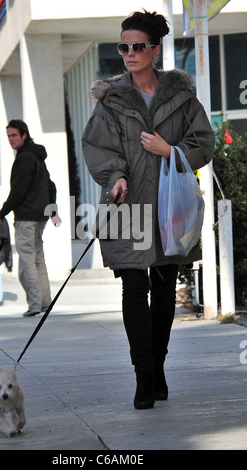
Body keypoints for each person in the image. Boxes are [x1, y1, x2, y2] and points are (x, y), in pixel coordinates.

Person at [82, 10, 215, 409]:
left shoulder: (182, 98)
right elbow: (97, 147)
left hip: (170, 209)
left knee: (162, 289)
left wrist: (170, 150)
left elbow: (204, 144)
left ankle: (158, 367)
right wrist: (115, 176)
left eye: (138, 46)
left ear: (155, 49)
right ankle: (143, 376)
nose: (129, 53)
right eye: (124, 46)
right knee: (133, 287)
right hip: (125, 205)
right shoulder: (111, 99)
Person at [0, 119, 61, 317]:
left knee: (27, 261)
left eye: (14, 135)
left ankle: (34, 304)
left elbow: (18, 190)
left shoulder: (24, 158)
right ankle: (44, 302)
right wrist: (51, 211)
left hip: (26, 216)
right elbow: (51, 186)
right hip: (40, 216)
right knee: (38, 259)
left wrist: (3, 212)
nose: (11, 139)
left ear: (24, 135)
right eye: (8, 136)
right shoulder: (37, 156)